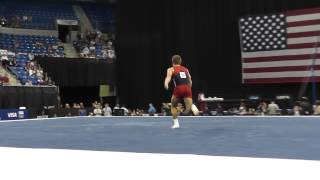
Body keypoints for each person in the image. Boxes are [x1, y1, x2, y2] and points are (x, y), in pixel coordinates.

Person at [164, 54, 193, 129]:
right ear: (180, 62)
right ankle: (190, 106)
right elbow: (190, 80)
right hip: (187, 88)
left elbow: (168, 78)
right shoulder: (186, 69)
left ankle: (176, 124)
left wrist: (166, 84)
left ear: (172, 62)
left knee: (173, 106)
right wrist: (188, 89)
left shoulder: (171, 69)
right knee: (187, 110)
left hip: (179, 88)